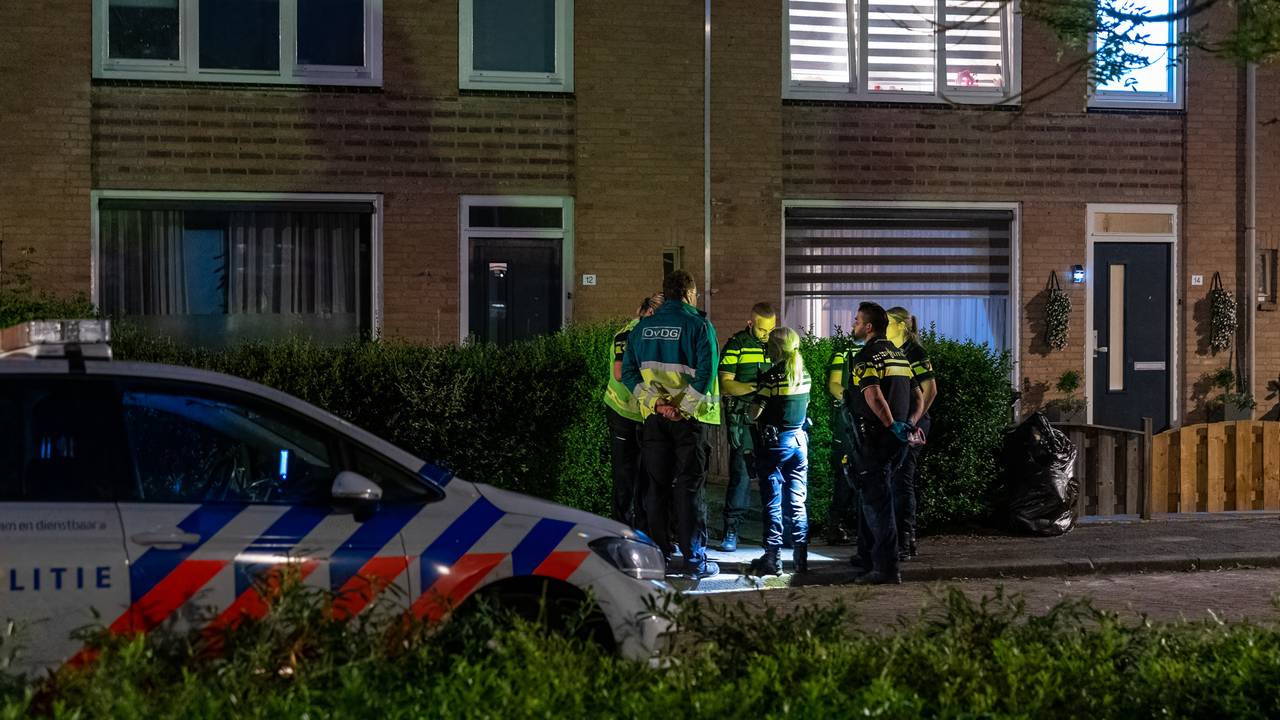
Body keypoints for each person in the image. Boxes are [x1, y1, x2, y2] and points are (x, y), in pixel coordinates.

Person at [621, 270, 722, 579]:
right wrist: (683, 408)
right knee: (689, 487)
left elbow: (628, 374)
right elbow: (706, 372)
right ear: (689, 294)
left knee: (656, 489)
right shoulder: (699, 325)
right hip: (688, 421)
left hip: (654, 420)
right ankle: (694, 561)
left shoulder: (642, 328)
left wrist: (656, 405)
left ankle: (659, 557)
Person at [846, 302, 915, 585]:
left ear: (869, 327)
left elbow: (873, 395)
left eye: (856, 321)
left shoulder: (866, 356)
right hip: (896, 440)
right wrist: (906, 424)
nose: (853, 325)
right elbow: (918, 394)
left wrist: (889, 424)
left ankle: (885, 568)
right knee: (877, 497)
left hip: (875, 438)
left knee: (878, 503)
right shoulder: (899, 355)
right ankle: (868, 556)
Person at [748, 326, 812, 576]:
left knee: (773, 501)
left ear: (774, 349)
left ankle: (773, 559)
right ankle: (801, 559)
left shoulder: (772, 377)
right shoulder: (803, 374)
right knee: (798, 502)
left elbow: (755, 412)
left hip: (776, 443)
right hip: (800, 441)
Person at [717, 302, 777, 552]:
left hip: (771, 420)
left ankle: (773, 532)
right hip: (744, 419)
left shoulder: (776, 344)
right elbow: (726, 383)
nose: (766, 335)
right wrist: (757, 389)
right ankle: (731, 530)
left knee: (773, 475)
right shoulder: (737, 345)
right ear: (750, 323)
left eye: (771, 330)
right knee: (741, 475)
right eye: (762, 330)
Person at [603, 294, 663, 528]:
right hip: (623, 413)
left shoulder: (648, 332)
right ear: (651, 313)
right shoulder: (627, 334)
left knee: (646, 478)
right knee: (625, 478)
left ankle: (642, 531)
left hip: (645, 413)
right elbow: (619, 373)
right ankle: (622, 530)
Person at [887, 307, 938, 561]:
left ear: (900, 326)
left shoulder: (915, 352)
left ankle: (905, 540)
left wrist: (914, 421)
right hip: (900, 424)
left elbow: (930, 390)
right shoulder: (894, 352)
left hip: (912, 425)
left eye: (887, 323)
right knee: (895, 479)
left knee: (902, 480)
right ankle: (903, 537)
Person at [824, 333, 862, 544]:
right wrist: (856, 402)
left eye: (858, 321)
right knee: (845, 475)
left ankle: (859, 526)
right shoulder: (843, 354)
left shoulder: (878, 353)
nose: (853, 326)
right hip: (847, 424)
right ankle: (836, 525)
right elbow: (834, 385)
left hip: (868, 424)